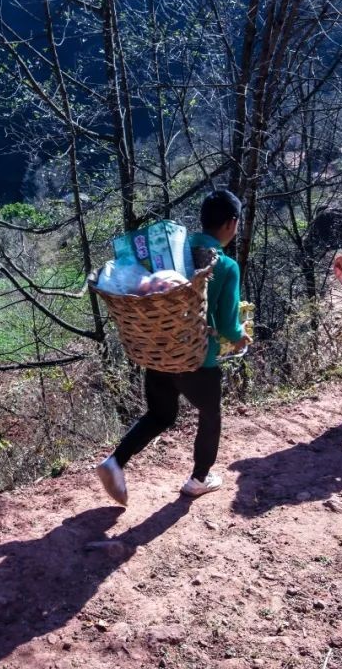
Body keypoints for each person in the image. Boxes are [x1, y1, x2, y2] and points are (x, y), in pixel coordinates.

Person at [96, 190, 251, 505]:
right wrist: (239, 336)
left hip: (159, 350)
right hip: (197, 359)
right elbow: (225, 322)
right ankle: (199, 478)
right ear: (232, 223)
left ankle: (115, 461)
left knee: (160, 413)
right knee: (210, 415)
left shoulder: (176, 250)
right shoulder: (225, 265)